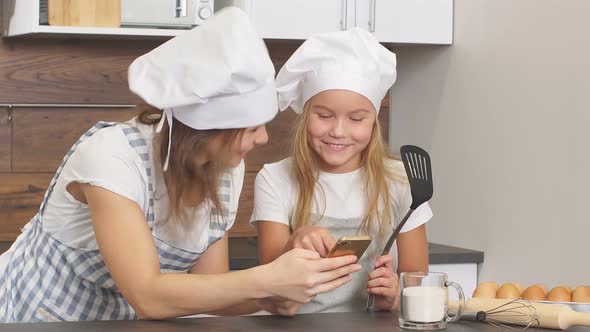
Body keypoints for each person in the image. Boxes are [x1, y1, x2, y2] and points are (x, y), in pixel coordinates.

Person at [0, 8, 361, 323]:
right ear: (208, 129)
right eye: (251, 128)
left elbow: (209, 287)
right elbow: (148, 295)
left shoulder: (223, 167)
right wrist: (267, 279)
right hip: (34, 317)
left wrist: (271, 298)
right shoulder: (111, 157)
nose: (264, 138)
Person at [251, 28, 433, 315]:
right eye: (323, 116)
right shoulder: (274, 179)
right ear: (305, 114)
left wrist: (395, 296)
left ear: (374, 121)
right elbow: (269, 285)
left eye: (356, 118)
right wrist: (293, 245)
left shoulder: (400, 181)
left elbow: (417, 281)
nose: (338, 131)